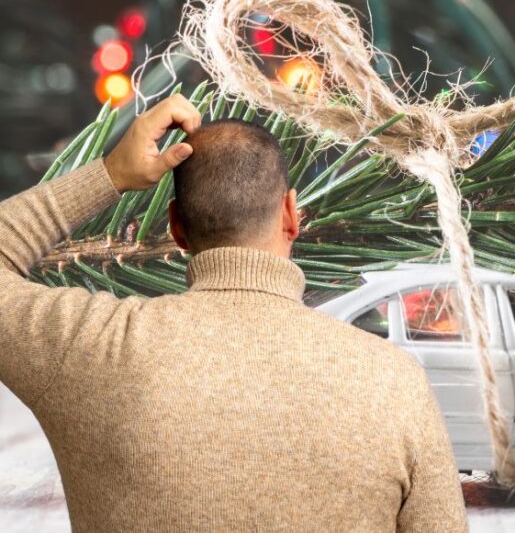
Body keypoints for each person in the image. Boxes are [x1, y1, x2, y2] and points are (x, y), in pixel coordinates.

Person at [0, 95, 468, 532]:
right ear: (291, 214)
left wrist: (112, 174)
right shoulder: (394, 382)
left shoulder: (96, 349)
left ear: (176, 227)